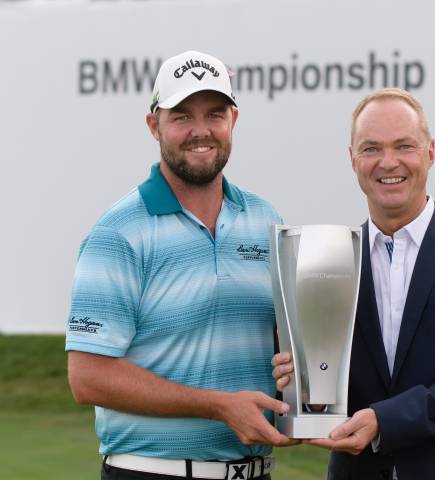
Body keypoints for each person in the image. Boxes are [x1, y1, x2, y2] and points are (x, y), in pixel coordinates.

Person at [272, 88, 435, 479]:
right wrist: (297, 380)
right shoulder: (327, 261)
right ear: (352, 159)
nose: (388, 162)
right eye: (371, 148)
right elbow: (322, 379)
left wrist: (383, 420)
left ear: (431, 152)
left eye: (404, 146)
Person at [66, 50, 295, 480]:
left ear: (233, 120)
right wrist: (218, 407)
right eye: (182, 116)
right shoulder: (118, 232)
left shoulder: (266, 219)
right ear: (155, 126)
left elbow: (283, 343)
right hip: (152, 473)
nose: (201, 131)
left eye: (214, 114)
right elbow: (88, 377)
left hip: (256, 471)